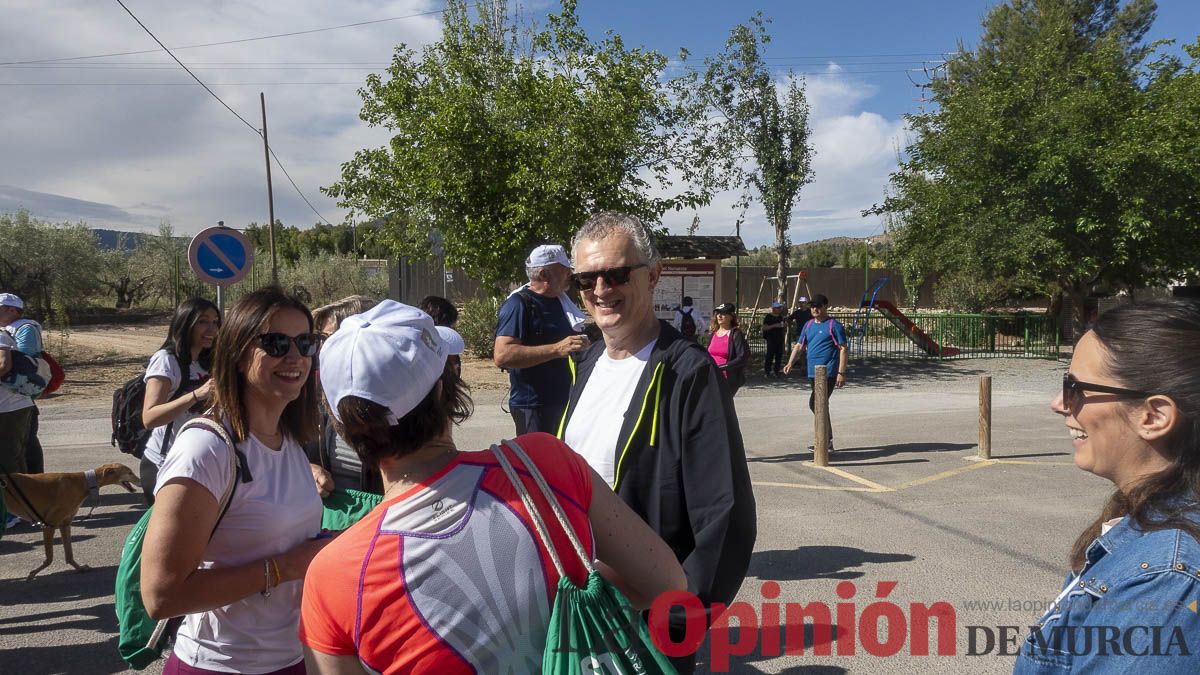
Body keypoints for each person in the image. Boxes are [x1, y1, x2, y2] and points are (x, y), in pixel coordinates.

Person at [300, 300, 685, 673]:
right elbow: (664, 581)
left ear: (341, 423)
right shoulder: (543, 465)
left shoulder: (334, 576)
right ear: (442, 391)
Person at [559, 211, 756, 674]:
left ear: (653, 275)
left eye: (617, 274)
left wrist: (678, 622)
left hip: (646, 627)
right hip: (582, 614)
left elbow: (724, 518)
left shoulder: (688, 373)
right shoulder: (585, 365)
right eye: (588, 279)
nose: (602, 290)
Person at [141, 287, 333, 675]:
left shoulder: (291, 441)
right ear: (239, 350)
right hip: (221, 664)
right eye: (276, 342)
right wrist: (284, 567)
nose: (295, 356)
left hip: (294, 656)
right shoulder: (205, 448)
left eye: (306, 342)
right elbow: (161, 595)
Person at [1014, 300, 1200, 673]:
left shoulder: (1165, 581)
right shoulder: (1149, 524)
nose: (1058, 404)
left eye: (1074, 388)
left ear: (1153, 416)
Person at [494, 244, 590, 435]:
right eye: (564, 270)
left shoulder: (560, 301)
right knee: (538, 463)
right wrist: (557, 349)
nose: (569, 275)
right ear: (545, 274)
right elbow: (502, 355)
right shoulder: (519, 304)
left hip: (563, 401)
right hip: (533, 407)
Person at [138, 298, 220, 505]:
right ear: (186, 323)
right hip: (163, 463)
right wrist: (196, 395)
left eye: (215, 322)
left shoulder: (208, 361)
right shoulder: (166, 360)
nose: (211, 329)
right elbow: (150, 417)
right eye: (203, 322)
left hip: (198, 463)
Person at [309, 295, 381, 494]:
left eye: (329, 339)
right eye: (319, 339)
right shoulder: (314, 393)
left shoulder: (403, 402)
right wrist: (309, 470)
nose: (321, 348)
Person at [783, 294, 847, 450]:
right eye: (812, 306)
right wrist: (790, 363)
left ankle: (826, 440)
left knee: (816, 403)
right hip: (812, 372)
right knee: (820, 404)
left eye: (818, 306)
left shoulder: (834, 325)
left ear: (825, 306)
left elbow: (843, 348)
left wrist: (841, 372)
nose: (814, 309)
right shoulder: (809, 325)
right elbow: (799, 346)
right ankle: (827, 440)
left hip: (828, 372)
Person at [0, 293, 45, 477]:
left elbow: (25, 365)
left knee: (23, 446)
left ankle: (35, 487)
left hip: (18, 397)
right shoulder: (9, 329)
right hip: (16, 396)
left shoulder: (25, 328)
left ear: (11, 309)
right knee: (22, 446)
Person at [708, 302, 750, 396]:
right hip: (711, 376)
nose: (719, 316)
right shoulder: (713, 333)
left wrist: (722, 367)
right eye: (718, 313)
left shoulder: (736, 334)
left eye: (723, 313)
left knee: (722, 407)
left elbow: (742, 357)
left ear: (731, 316)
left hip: (727, 378)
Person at [762, 301, 787, 378]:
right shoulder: (768, 317)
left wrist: (784, 326)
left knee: (779, 356)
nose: (779, 309)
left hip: (780, 339)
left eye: (780, 308)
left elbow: (784, 326)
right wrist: (774, 325)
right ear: (773, 309)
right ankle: (767, 371)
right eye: (778, 308)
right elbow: (764, 327)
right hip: (771, 339)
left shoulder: (781, 317)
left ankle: (776, 371)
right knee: (769, 356)